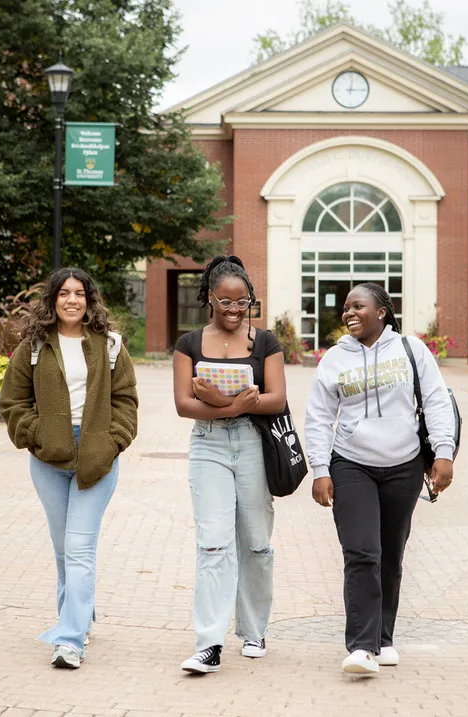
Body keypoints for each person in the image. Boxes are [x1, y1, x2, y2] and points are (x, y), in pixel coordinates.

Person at [305, 282, 455, 675]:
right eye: (346, 308)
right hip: (351, 463)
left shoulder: (411, 350)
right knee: (361, 552)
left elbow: (437, 399)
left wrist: (443, 452)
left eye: (359, 306)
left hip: (404, 464)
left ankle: (383, 639)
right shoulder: (334, 358)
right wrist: (320, 469)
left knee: (390, 555)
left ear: (382, 311)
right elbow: (318, 417)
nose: (349, 313)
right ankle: (361, 647)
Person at [0, 267, 138, 669]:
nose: (72, 300)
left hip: (96, 458)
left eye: (79, 293)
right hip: (48, 460)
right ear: (53, 300)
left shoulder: (109, 345)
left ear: (89, 299)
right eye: (64, 293)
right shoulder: (34, 345)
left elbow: (126, 399)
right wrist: (37, 434)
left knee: (79, 548)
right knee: (64, 550)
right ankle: (78, 615)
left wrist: (113, 441)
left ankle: (70, 640)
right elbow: (12, 400)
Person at [173, 255, 287, 674]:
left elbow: (275, 398)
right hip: (208, 447)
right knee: (214, 544)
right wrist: (232, 406)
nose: (235, 311)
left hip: (254, 443)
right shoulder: (189, 344)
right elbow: (185, 405)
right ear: (209, 298)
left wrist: (219, 401)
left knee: (256, 542)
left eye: (244, 304)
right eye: (226, 302)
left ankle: (254, 629)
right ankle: (210, 643)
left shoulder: (266, 342)